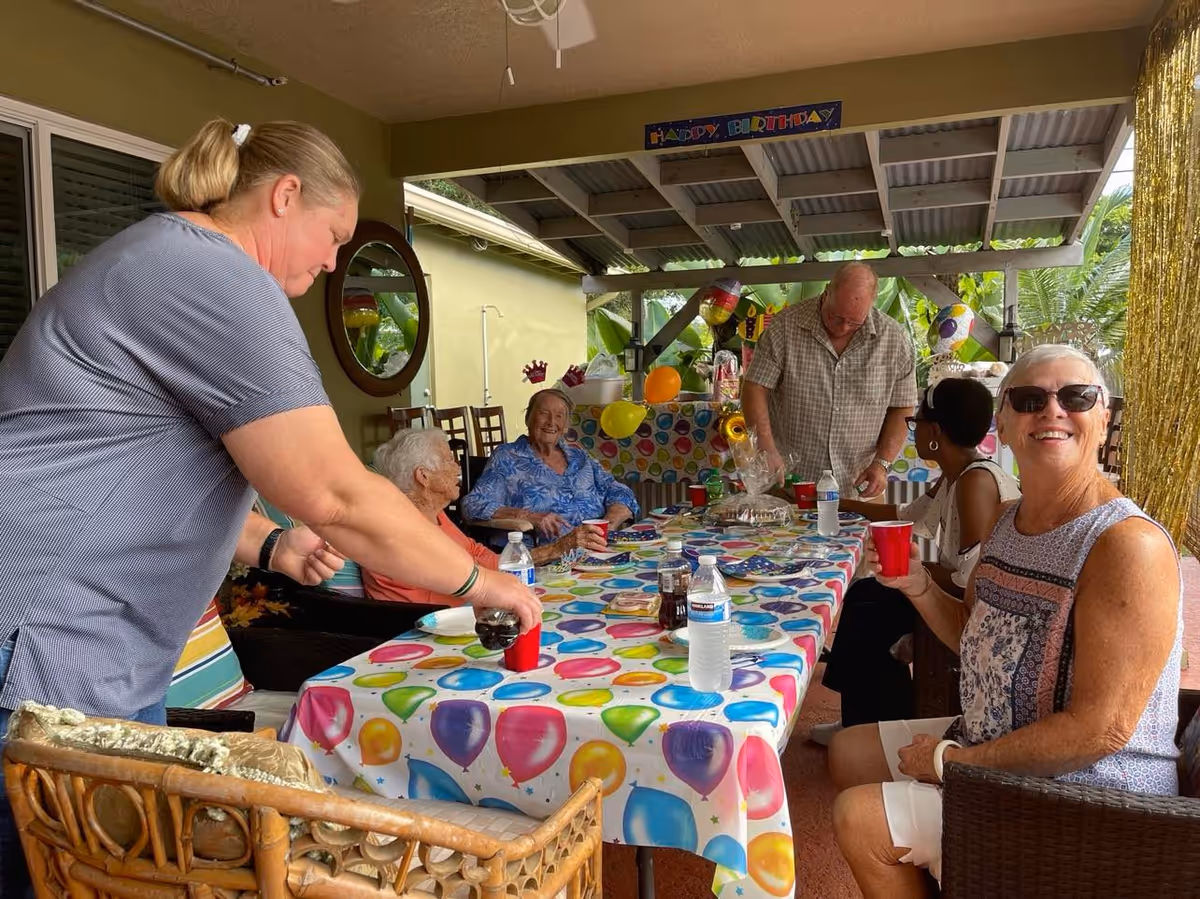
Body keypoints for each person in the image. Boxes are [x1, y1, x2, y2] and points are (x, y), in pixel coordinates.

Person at [0, 118, 539, 893]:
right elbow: (335, 492)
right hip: (41, 637)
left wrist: (269, 544)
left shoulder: (162, 257)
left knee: (106, 877)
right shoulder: (211, 275)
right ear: (285, 197)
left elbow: (132, 463)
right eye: (332, 234)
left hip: (96, 647)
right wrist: (483, 583)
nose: (331, 260)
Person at [828, 345, 1181, 897]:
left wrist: (953, 762)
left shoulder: (1125, 545)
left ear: (1103, 415)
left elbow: (1100, 731)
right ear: (1004, 425)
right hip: (996, 741)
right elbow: (975, 633)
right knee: (847, 751)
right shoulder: (1011, 520)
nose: (1052, 411)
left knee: (859, 816)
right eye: (1029, 399)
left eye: (1076, 396)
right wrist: (916, 584)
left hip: (1086, 796)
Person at [813, 377, 1020, 742]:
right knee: (868, 595)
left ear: (936, 430)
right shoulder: (956, 474)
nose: (914, 431)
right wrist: (835, 502)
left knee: (870, 607)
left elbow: (969, 579)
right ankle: (865, 722)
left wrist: (914, 574)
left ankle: (870, 725)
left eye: (917, 422)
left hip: (974, 605)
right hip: (954, 590)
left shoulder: (975, 483)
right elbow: (909, 515)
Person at [363, 428, 608, 604]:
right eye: (449, 460)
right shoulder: (399, 527)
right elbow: (468, 575)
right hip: (418, 631)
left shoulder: (434, 515)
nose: (458, 468)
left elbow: (479, 556)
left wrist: (555, 550)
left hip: (459, 613)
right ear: (423, 476)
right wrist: (557, 549)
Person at [742, 261, 917, 498]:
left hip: (857, 487)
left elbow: (902, 408)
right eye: (836, 317)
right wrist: (766, 448)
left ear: (871, 304)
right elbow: (754, 387)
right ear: (826, 293)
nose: (843, 327)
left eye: (854, 322)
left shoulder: (894, 341)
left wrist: (882, 464)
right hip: (791, 485)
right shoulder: (784, 327)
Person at [461, 389, 638, 543]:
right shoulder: (507, 457)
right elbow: (473, 505)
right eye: (543, 413)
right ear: (528, 418)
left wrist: (609, 523)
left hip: (599, 547)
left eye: (559, 416)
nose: (551, 422)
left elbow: (617, 490)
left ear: (566, 426)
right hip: (549, 555)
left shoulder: (578, 455)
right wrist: (529, 516)